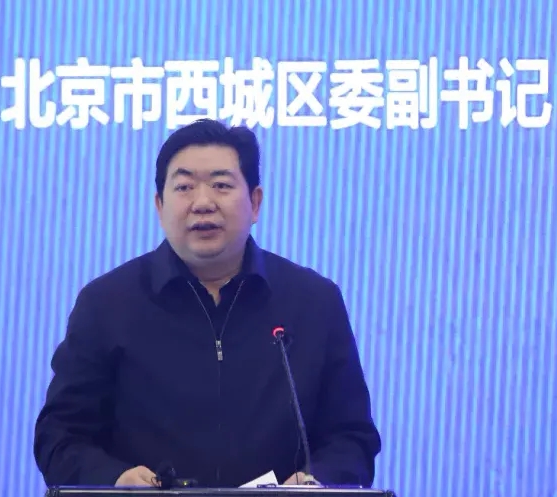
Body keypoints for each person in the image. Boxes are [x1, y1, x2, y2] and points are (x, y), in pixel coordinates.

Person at [33, 119, 381, 489]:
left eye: (221, 185)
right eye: (184, 187)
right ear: (159, 205)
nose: (202, 203)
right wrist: (116, 481)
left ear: (255, 202)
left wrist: (316, 481)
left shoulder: (314, 302)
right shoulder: (107, 304)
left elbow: (352, 438)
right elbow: (60, 435)